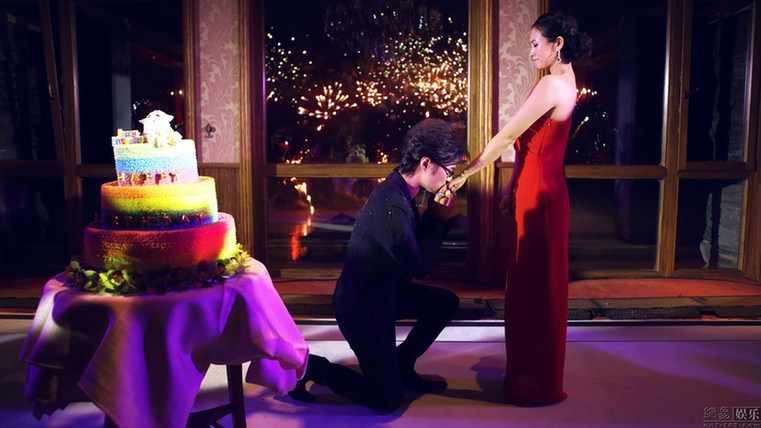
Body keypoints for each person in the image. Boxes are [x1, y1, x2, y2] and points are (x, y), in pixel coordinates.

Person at [446, 11, 591, 406]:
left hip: (539, 196)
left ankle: (532, 384)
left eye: (535, 44)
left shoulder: (550, 85)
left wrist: (466, 174)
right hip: (545, 191)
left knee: (531, 290)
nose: (530, 52)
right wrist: (511, 187)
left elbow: (508, 136)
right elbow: (534, 147)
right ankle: (538, 378)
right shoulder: (569, 83)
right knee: (540, 288)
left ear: (557, 44)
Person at [288, 118, 468, 413]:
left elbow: (411, 251)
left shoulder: (402, 188)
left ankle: (402, 364)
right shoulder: (391, 204)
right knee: (387, 399)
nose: (449, 180)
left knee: (445, 303)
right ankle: (312, 368)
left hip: (385, 294)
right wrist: (437, 219)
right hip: (362, 308)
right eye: (448, 171)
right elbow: (419, 266)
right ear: (426, 163)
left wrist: (434, 216)